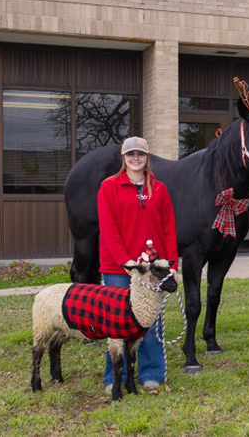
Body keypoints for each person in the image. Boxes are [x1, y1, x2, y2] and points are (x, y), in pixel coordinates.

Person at [96, 136, 178, 391]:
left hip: (152, 268)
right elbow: (108, 229)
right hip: (118, 267)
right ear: (123, 157)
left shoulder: (160, 189)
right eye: (130, 154)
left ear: (147, 158)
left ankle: (151, 371)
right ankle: (115, 376)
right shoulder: (109, 187)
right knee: (117, 323)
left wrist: (171, 263)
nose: (135, 158)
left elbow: (169, 228)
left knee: (150, 321)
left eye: (140, 154)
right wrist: (125, 261)